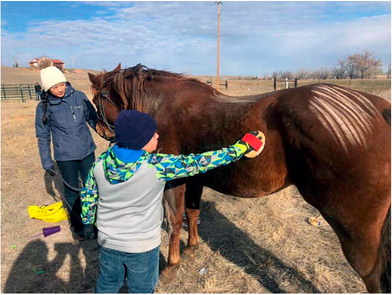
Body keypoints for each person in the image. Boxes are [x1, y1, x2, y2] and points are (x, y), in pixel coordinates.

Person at [80, 110, 266, 293]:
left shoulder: (100, 163)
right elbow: (199, 162)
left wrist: (88, 222)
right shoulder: (157, 166)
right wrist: (240, 148)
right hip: (142, 247)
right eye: (152, 133)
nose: (158, 135)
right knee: (141, 288)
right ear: (140, 140)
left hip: (108, 242)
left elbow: (88, 196)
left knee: (107, 284)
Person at [35, 58, 98, 241]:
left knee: (91, 188)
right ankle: (78, 227)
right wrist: (46, 160)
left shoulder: (79, 96)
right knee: (72, 191)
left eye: (61, 84)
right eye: (55, 87)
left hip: (86, 151)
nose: (60, 89)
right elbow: (43, 135)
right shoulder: (44, 107)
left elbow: (93, 120)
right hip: (65, 156)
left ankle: (92, 224)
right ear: (48, 89)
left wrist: (109, 135)